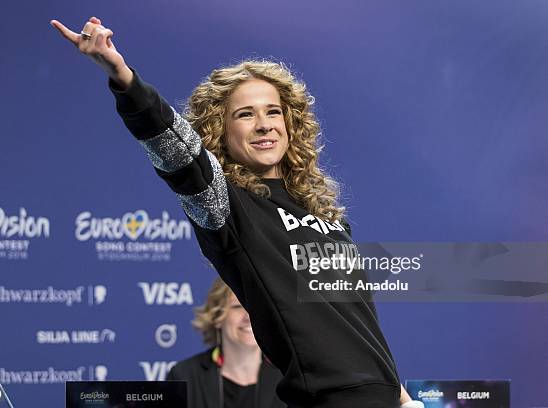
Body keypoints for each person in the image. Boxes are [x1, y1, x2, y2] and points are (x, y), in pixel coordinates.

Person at [50, 16, 423, 408]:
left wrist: (403, 399)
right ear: (219, 131)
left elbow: (357, 323)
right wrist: (123, 76)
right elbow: (176, 149)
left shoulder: (328, 217)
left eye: (273, 112)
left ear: (291, 123)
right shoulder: (227, 204)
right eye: (245, 115)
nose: (264, 126)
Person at [166, 277, 285, 408]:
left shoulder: (287, 379)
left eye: (256, 307)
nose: (248, 316)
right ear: (217, 317)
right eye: (238, 306)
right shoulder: (184, 375)